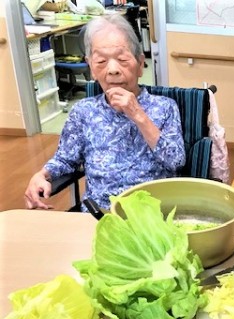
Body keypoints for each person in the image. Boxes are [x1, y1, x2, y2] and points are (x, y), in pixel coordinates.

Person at [24, 14, 185, 211]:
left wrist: (138, 115)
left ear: (140, 64)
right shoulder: (83, 112)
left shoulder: (165, 107)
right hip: (98, 216)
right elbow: (65, 159)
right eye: (101, 61)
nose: (113, 70)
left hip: (150, 215)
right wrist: (42, 175)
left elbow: (175, 162)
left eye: (122, 59)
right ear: (91, 68)